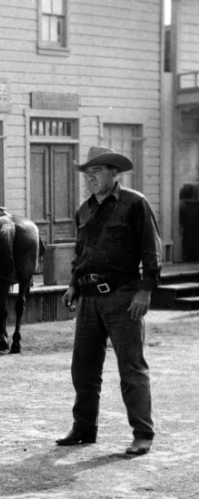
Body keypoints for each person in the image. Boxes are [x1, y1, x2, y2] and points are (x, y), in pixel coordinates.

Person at [56, 146, 162, 456]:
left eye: (96, 172)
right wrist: (74, 284)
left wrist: (145, 291)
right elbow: (82, 251)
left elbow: (150, 252)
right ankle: (84, 428)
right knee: (83, 368)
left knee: (131, 368)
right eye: (86, 173)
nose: (89, 178)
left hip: (123, 298)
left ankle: (143, 433)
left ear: (113, 174)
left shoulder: (135, 203)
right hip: (89, 299)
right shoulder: (84, 209)